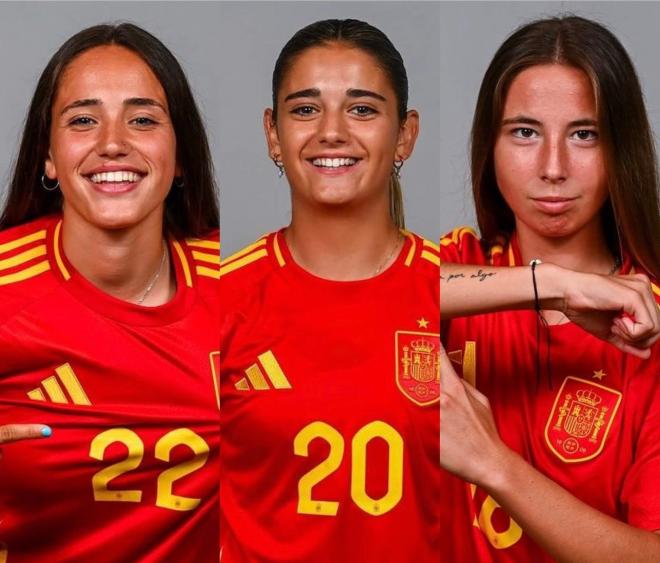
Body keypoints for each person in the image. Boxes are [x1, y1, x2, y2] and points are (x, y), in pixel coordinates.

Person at [219, 19, 442, 562]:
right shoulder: (223, 299)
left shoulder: (458, 291)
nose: (332, 131)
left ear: (405, 135)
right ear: (273, 133)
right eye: (305, 109)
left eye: (362, 109)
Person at [439, 16, 660, 562]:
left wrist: (492, 462)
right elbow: (344, 293)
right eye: (525, 132)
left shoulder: (650, 322)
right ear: (488, 147)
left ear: (622, 150)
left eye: (585, 134)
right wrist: (554, 286)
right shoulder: (456, 264)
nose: (553, 167)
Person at [0, 23, 220, 562]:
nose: (113, 143)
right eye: (82, 121)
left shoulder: (240, 281)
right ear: (48, 156)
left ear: (182, 156)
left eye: (142, 120)